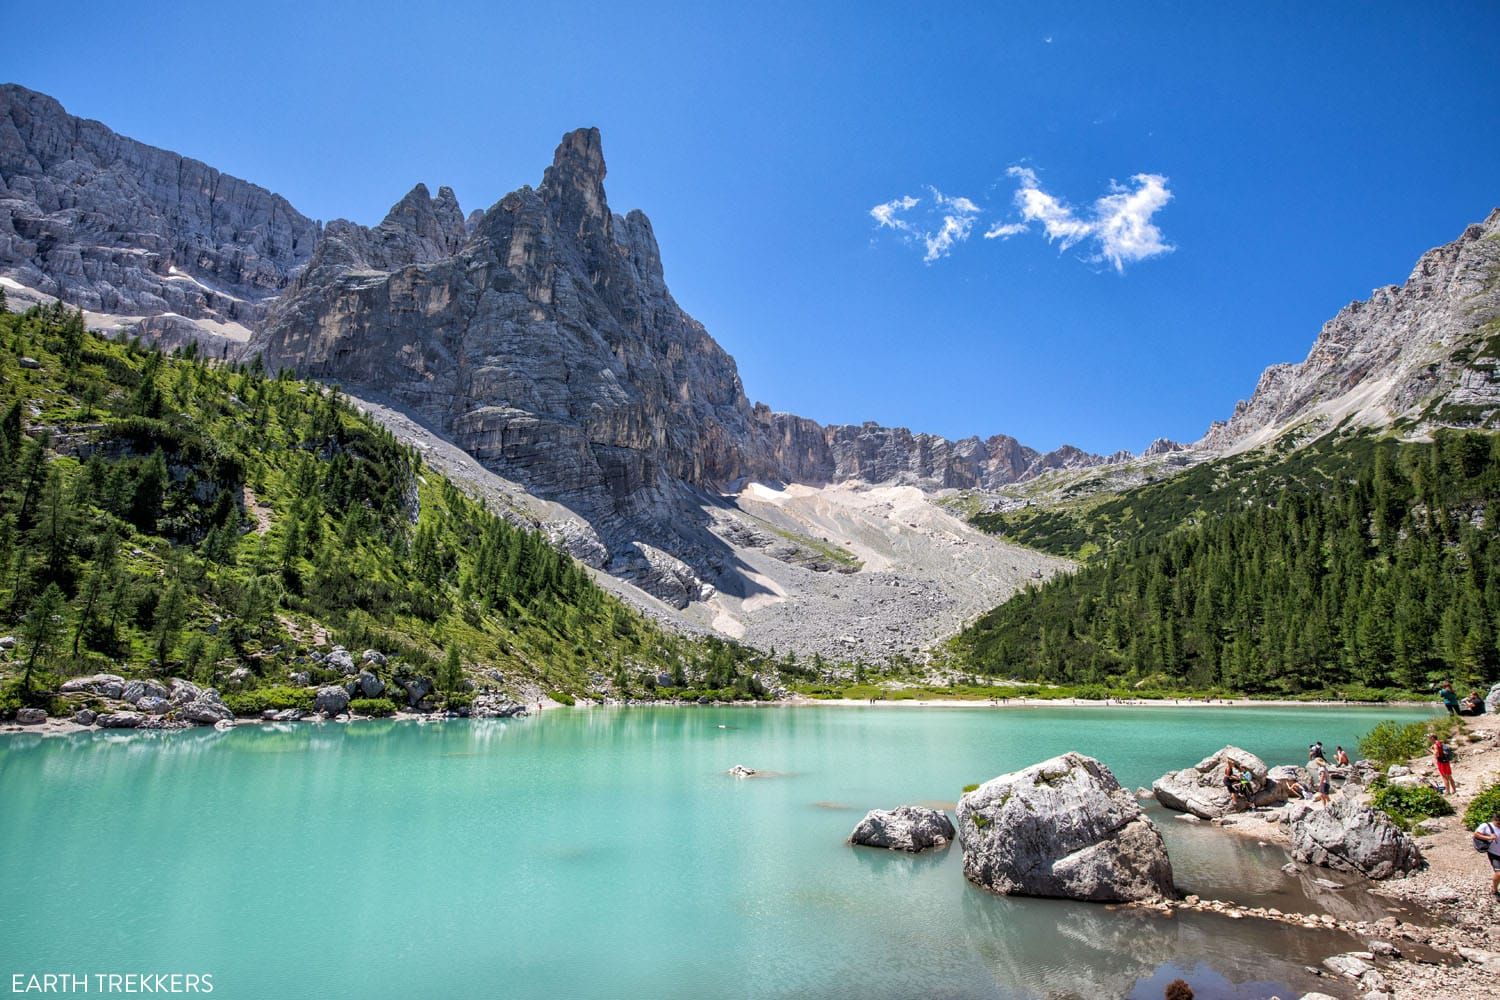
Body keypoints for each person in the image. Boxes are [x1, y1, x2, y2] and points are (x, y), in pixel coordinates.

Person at [1475, 811, 1500, 898]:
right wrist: (1489, 837)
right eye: (1498, 822)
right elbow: (1476, 834)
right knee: (1499, 873)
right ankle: (1495, 889)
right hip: (1494, 854)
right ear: (1494, 819)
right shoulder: (1486, 826)